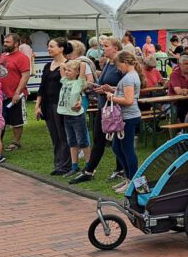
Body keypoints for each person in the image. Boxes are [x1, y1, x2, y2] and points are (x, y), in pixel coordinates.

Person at [69, 36, 123, 185]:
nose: (103, 49)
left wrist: (108, 89)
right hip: (104, 106)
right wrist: (99, 87)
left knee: (118, 141)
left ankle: (120, 170)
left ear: (116, 48)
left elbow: (128, 88)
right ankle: (89, 170)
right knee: (99, 139)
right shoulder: (107, 63)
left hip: (116, 108)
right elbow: (104, 83)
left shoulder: (121, 65)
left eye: (106, 46)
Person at [105, 51, 143, 195]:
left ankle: (133, 180)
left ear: (125, 63)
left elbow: (128, 100)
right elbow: (127, 93)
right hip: (125, 117)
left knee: (127, 149)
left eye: (118, 65)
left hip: (128, 117)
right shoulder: (130, 77)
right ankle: (128, 178)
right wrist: (112, 90)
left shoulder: (128, 78)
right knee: (117, 147)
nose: (117, 68)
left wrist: (111, 97)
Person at [35, 38, 73, 176]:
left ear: (61, 48)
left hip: (61, 105)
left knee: (63, 135)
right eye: (48, 46)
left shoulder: (69, 65)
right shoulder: (47, 66)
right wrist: (37, 105)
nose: (49, 49)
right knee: (54, 136)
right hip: (47, 104)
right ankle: (58, 163)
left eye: (51, 46)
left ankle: (66, 165)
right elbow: (42, 87)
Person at [0, 33, 31, 151]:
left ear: (16, 43)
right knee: (1, 117)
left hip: (15, 94)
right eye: (4, 42)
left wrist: (17, 92)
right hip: (2, 93)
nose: (4, 44)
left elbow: (25, 76)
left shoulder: (22, 57)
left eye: (7, 42)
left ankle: (16, 142)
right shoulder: (3, 55)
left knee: (16, 119)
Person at [57, 60, 90, 178]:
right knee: (72, 141)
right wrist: (67, 66)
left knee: (83, 141)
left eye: (69, 71)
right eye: (66, 71)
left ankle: (89, 166)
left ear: (77, 72)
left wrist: (76, 65)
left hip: (77, 116)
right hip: (67, 115)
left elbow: (83, 65)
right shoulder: (65, 81)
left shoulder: (79, 82)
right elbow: (61, 65)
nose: (66, 72)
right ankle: (74, 166)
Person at [167, 54, 188, 123]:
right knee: (176, 112)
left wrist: (185, 90)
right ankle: (179, 130)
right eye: (186, 64)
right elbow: (178, 91)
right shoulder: (175, 74)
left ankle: (186, 128)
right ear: (180, 65)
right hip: (175, 102)